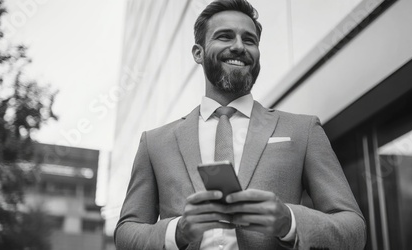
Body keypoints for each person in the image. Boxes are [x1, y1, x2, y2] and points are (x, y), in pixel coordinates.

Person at [114, 0, 366, 249]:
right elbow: (126, 232)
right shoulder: (155, 143)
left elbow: (353, 229)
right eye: (224, 37)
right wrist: (177, 231)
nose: (238, 47)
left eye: (249, 40)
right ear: (198, 53)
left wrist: (288, 221)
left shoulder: (303, 130)